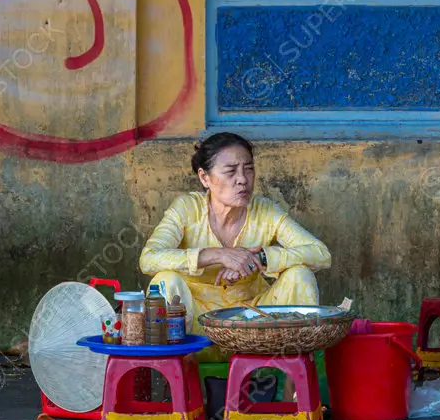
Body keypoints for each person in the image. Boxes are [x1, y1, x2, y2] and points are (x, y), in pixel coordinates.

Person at [139, 132, 331, 364]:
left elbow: (321, 254)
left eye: (248, 169)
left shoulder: (265, 211)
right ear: (205, 178)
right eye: (230, 171)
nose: (242, 179)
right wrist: (217, 255)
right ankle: (173, 388)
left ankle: (295, 389)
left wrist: (260, 258)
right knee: (165, 280)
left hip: (252, 326)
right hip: (196, 328)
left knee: (300, 275)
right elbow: (149, 258)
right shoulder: (187, 209)